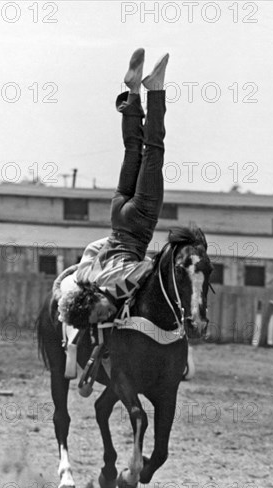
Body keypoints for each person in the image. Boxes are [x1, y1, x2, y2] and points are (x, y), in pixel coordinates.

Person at [56, 48, 169, 329]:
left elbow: (150, 270)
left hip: (140, 224)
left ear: (90, 304)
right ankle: (132, 92)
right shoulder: (86, 276)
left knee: (153, 150)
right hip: (116, 217)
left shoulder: (118, 284)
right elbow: (94, 246)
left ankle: (155, 89)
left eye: (98, 315)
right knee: (132, 150)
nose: (105, 317)